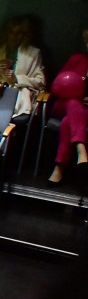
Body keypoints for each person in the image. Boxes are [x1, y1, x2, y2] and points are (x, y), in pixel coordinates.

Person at [0, 15, 46, 118]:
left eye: (18, 33)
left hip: (19, 93)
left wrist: (17, 79)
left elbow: (40, 81)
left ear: (25, 34)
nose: (14, 36)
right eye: (11, 32)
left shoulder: (33, 53)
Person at [47, 29, 88, 184]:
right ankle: (81, 149)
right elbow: (57, 85)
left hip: (83, 113)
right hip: (65, 104)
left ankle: (59, 167)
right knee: (73, 104)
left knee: (67, 123)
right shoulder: (77, 59)